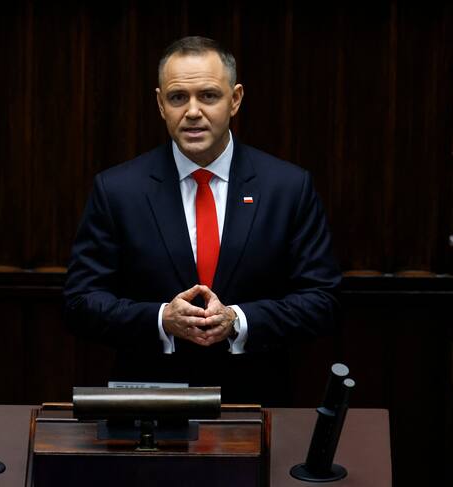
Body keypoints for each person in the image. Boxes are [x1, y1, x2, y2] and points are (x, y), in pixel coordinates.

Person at [64, 36, 341, 404]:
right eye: (178, 97)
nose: (193, 111)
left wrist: (238, 320)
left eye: (208, 96)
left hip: (255, 400)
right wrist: (161, 318)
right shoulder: (118, 190)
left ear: (235, 99)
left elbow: (323, 301)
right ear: (161, 104)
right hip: (150, 405)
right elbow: (80, 302)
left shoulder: (287, 187)